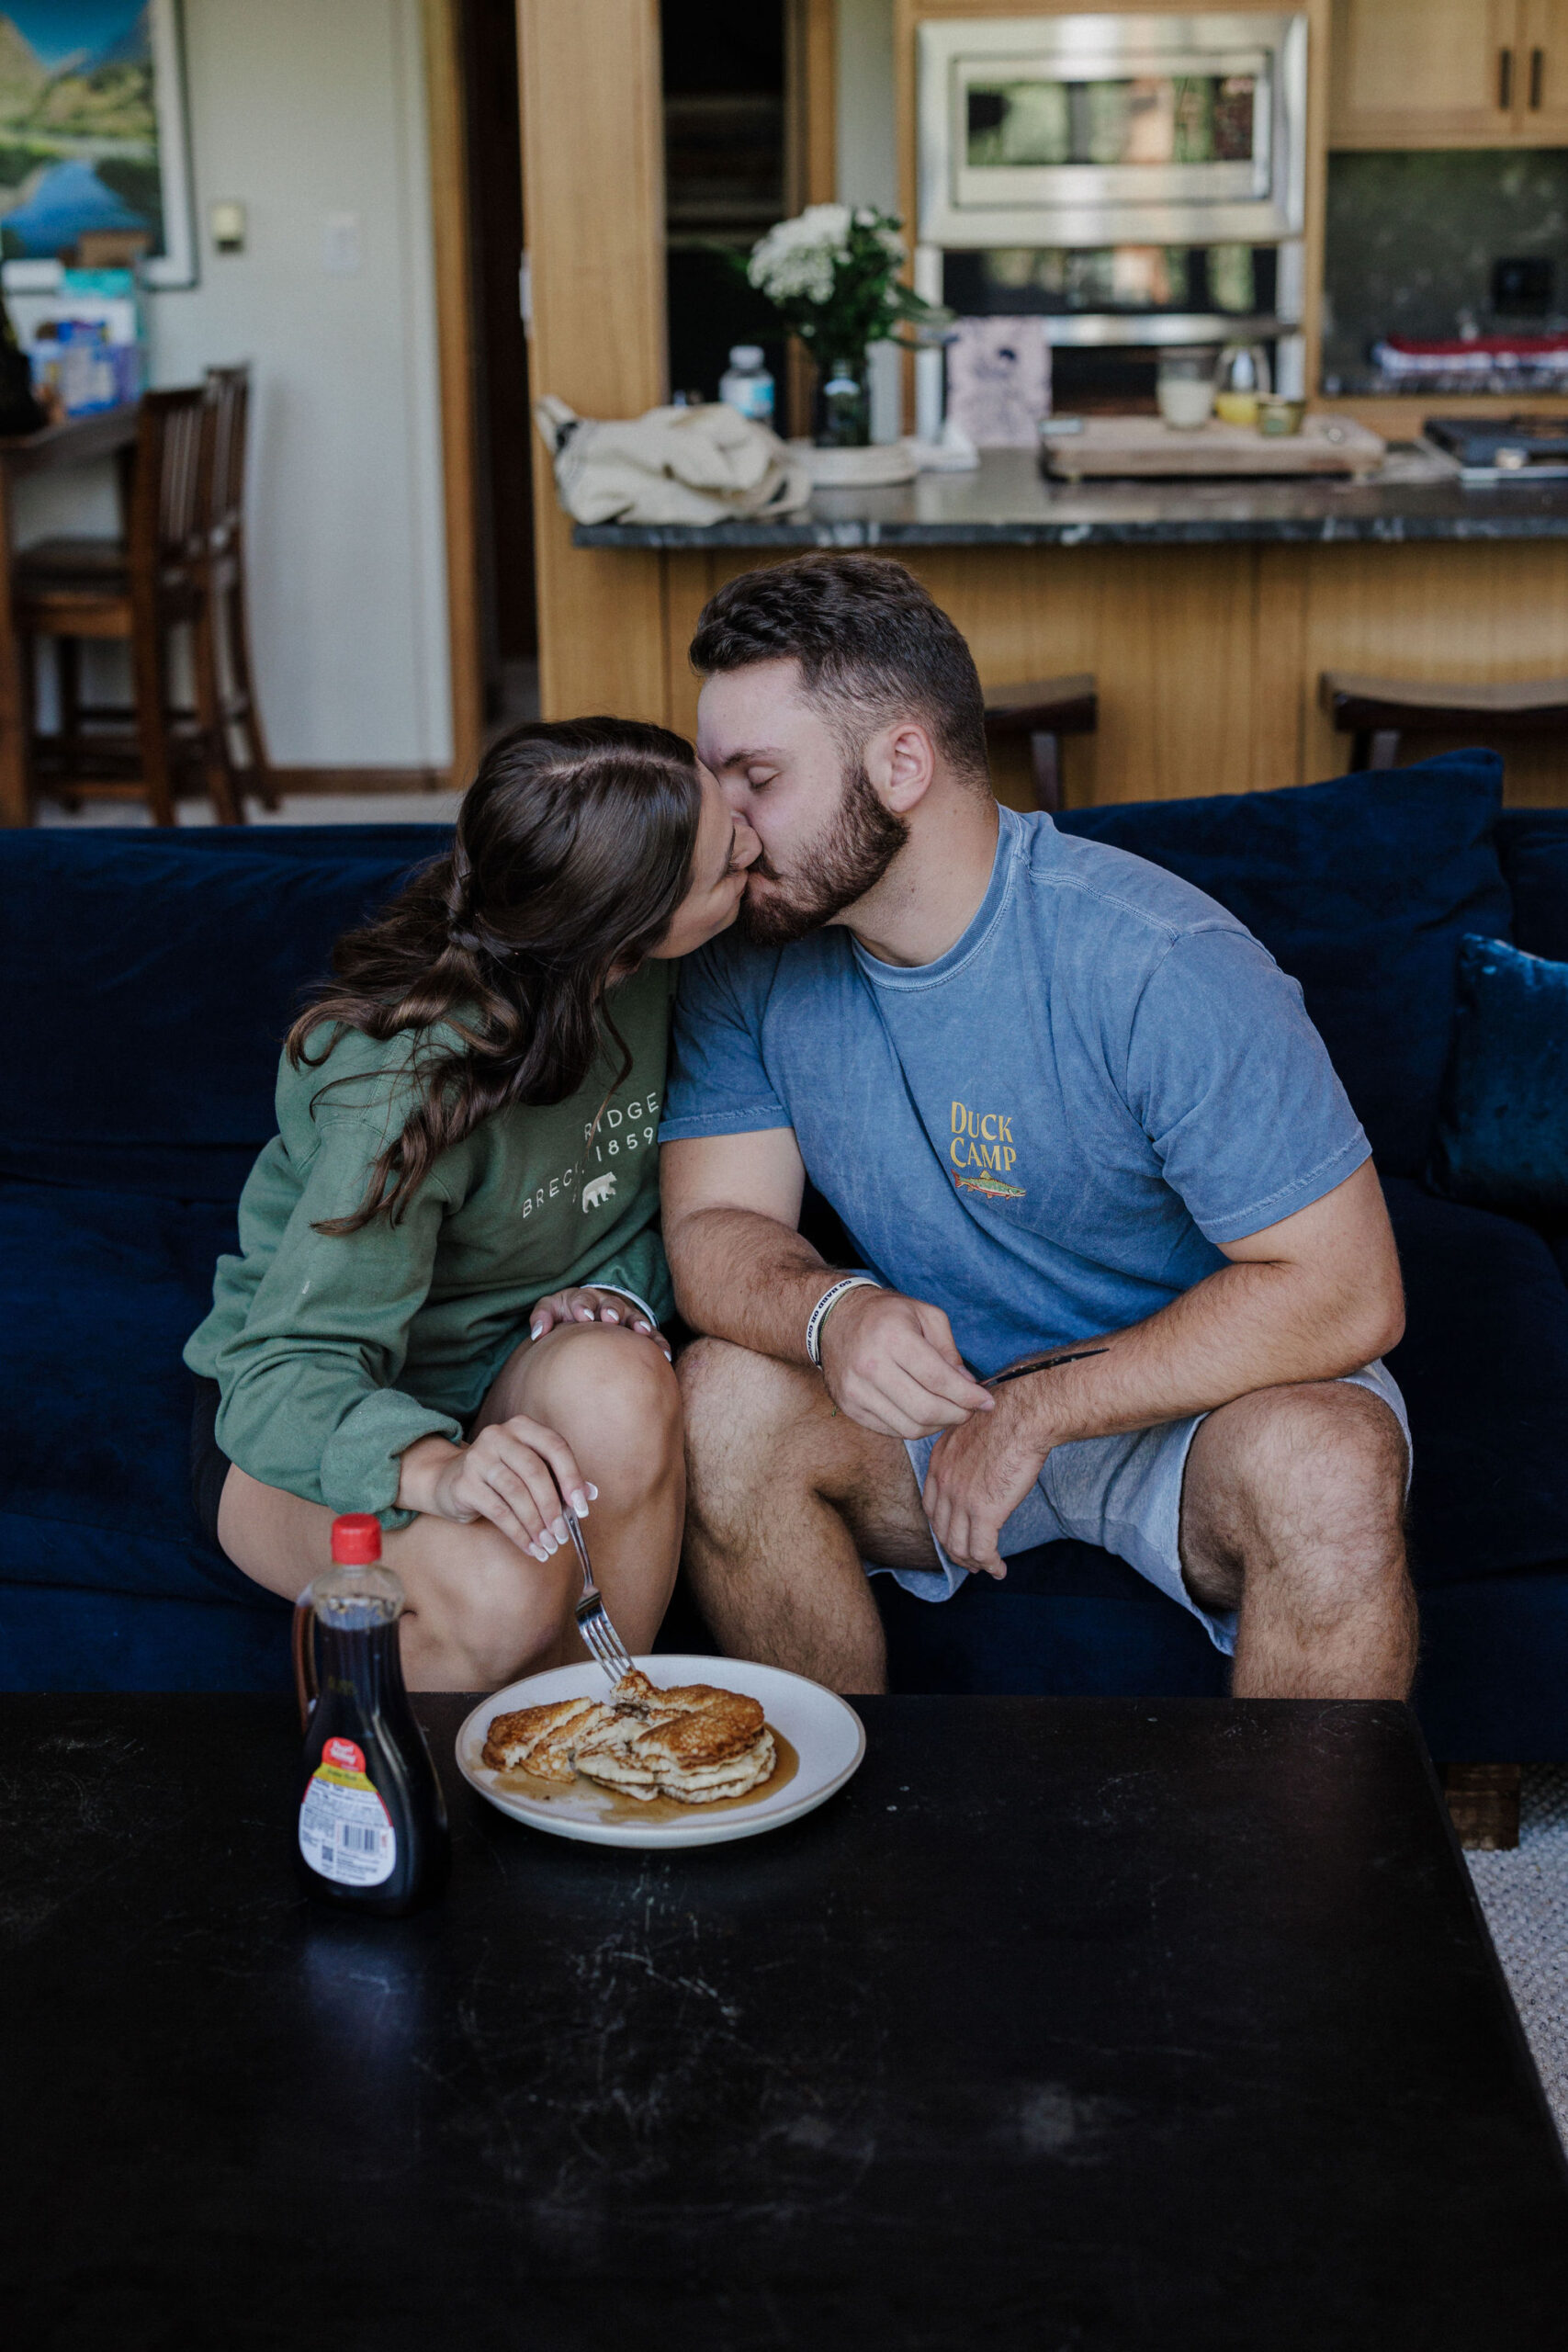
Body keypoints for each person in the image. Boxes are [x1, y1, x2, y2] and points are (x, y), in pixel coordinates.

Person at [659, 554, 1414, 1700]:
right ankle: (836, 1862)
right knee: (718, 1399)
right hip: (931, 1412)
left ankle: (1305, 1884)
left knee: (1331, 1468)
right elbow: (714, 1222)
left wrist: (1041, 1409)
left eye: (756, 777)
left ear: (901, 762)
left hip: (1196, 1413)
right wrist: (834, 1309)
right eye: (714, 783)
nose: (725, 830)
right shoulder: (750, 953)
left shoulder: (1157, 962)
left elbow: (1348, 1290)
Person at [185, 718, 759, 1689]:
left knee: (621, 1384)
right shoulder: (405, 1082)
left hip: (503, 1367)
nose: (752, 839)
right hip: (305, 1422)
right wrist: (434, 1469)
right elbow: (285, 1375)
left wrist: (616, 1287)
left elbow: (676, 1211)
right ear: (618, 940)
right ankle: (383, 1792)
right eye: (723, 863)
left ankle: (601, 1770)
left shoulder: (671, 978)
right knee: (503, 1593)